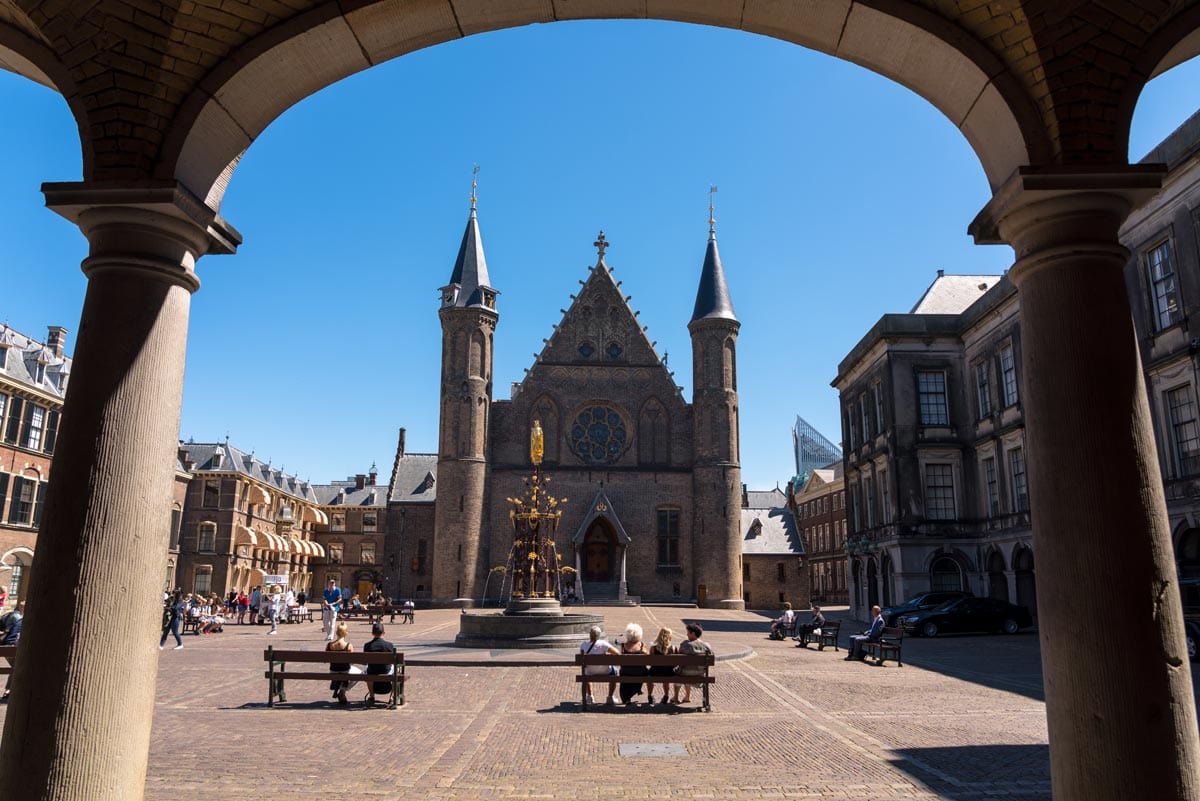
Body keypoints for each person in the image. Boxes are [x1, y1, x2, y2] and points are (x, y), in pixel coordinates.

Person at [579, 625, 619, 706]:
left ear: (590, 635)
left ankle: (590, 696)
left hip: (590, 671)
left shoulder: (583, 645)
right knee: (615, 671)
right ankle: (610, 697)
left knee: (586, 671)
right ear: (599, 635)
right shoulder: (603, 644)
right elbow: (617, 653)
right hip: (605, 671)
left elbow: (581, 661)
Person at [674, 622, 713, 704]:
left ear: (693, 633)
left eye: (688, 632)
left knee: (680, 670)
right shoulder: (707, 646)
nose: (687, 634)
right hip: (700, 675)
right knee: (688, 668)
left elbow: (679, 658)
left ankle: (676, 697)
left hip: (684, 673)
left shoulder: (685, 644)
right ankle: (687, 696)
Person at [362, 622, 396, 707]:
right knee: (397, 670)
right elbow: (393, 661)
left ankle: (372, 696)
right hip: (386, 671)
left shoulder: (367, 646)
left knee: (367, 669)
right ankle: (392, 697)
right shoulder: (389, 645)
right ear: (383, 633)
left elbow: (365, 662)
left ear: (372, 633)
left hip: (372, 671)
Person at [618, 622, 651, 705]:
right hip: (640, 673)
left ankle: (627, 697)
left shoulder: (623, 646)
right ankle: (644, 692)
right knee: (646, 672)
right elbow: (649, 659)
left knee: (624, 671)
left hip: (626, 672)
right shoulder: (642, 646)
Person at [326, 621, 355, 705]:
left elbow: (325, 659)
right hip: (345, 670)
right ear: (346, 633)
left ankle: (338, 685)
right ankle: (342, 690)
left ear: (336, 632)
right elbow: (352, 660)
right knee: (360, 673)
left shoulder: (329, 645)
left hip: (333, 670)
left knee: (341, 670)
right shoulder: (348, 645)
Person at [1, 601, 25, 699]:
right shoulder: (22, 619)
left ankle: (9, 690)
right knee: (18, 667)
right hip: (11, 647)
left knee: (16, 668)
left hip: (7, 646)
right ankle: (9, 690)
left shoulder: (17, 617)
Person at [648, 627, 676, 705]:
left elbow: (650, 663)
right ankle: (666, 695)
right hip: (668, 672)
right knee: (666, 671)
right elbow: (674, 664)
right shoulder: (673, 648)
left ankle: (649, 695)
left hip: (654, 672)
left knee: (649, 675)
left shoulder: (653, 648)